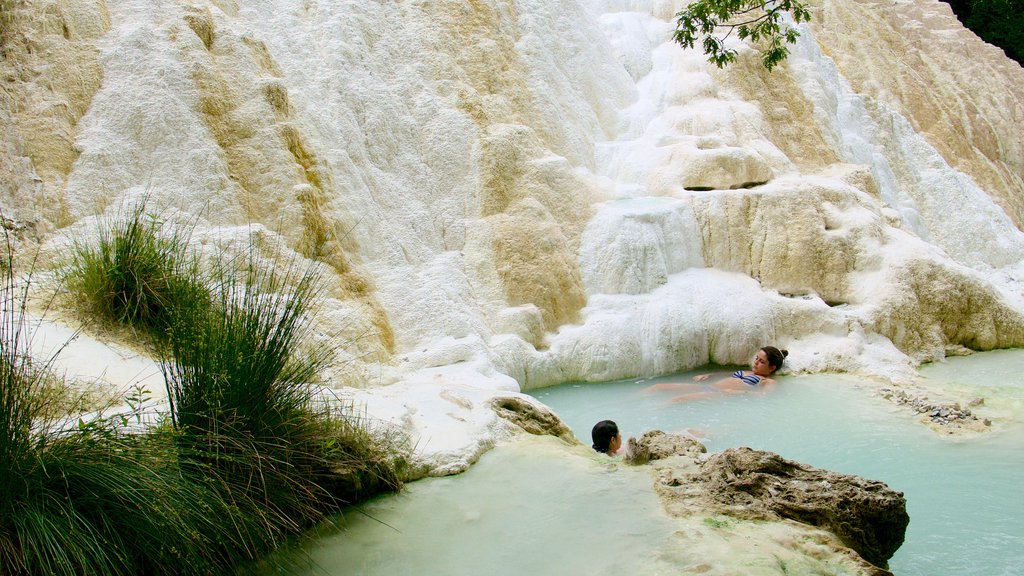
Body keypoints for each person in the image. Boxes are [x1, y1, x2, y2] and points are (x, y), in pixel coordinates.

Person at [645, 346, 789, 401]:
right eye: (756, 358)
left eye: (761, 362)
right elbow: (725, 374)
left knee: (678, 399)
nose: (756, 362)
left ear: (772, 368)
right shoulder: (746, 371)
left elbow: (765, 397)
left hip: (721, 394)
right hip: (710, 387)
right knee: (658, 386)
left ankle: (652, 414)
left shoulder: (767, 382)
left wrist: (736, 393)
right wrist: (709, 375)